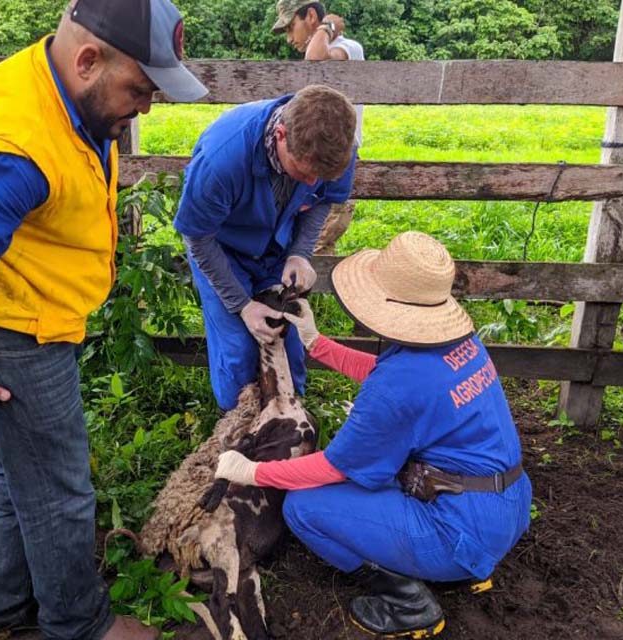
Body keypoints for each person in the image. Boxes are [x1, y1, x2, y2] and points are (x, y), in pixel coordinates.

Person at [0, 1, 207, 638]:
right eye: (141, 88)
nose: (147, 107)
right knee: (59, 491)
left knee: (18, 472)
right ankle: (79, 626)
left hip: (29, 313)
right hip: (15, 335)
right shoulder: (15, 150)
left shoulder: (56, 89)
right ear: (89, 60)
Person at [213, 232, 532, 639]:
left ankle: (408, 601)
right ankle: (457, 570)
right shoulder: (461, 343)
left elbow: (334, 467)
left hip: (460, 531)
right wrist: (317, 344)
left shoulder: (395, 389)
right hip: (505, 506)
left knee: (304, 508)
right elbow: (395, 379)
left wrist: (254, 472)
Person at [173, 84, 358, 412]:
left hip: (278, 247)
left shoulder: (338, 148)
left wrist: (300, 252)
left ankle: (289, 423)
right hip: (221, 251)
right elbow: (198, 238)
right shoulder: (222, 159)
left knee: (289, 341)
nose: (312, 183)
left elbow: (322, 200)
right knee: (239, 351)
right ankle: (239, 427)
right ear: (280, 135)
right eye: (305, 172)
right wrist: (243, 305)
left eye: (322, 176)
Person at [272, 0, 365, 255]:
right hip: (312, 153)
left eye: (291, 27)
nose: (290, 38)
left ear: (311, 16)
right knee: (301, 235)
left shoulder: (347, 47)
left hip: (335, 156)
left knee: (321, 237)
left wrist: (326, 27)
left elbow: (315, 58)